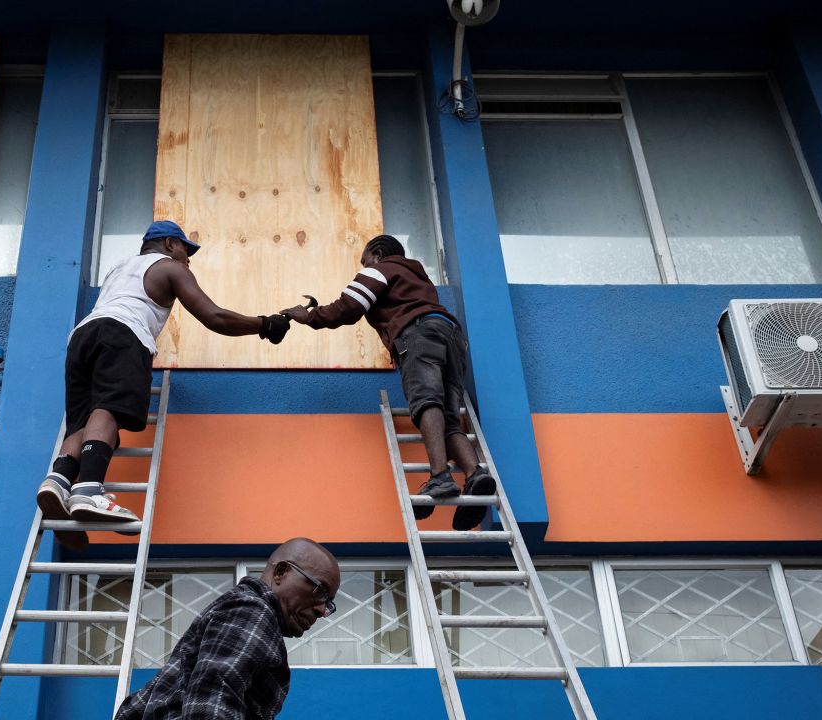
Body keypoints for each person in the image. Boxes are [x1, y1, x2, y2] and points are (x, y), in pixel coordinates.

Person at [37, 220, 290, 535]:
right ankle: (88, 491)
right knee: (108, 410)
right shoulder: (170, 268)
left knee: (83, 422)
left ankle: (58, 481)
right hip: (123, 334)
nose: (188, 258)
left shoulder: (118, 269)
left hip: (82, 338)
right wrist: (264, 325)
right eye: (186, 249)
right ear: (170, 243)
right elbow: (214, 316)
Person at [281, 235, 495, 530]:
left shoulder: (380, 269)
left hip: (419, 335)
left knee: (425, 402)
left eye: (364, 259)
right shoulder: (417, 275)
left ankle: (440, 477)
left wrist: (309, 316)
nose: (363, 266)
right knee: (448, 419)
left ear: (377, 254)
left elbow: (349, 307)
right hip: (451, 337)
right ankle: (475, 475)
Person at [115, 538, 340, 720]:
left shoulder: (242, 610)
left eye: (329, 603)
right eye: (320, 591)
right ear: (281, 572)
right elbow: (212, 699)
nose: (322, 610)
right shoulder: (252, 610)